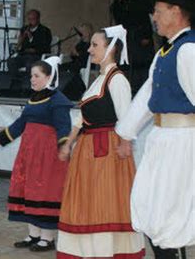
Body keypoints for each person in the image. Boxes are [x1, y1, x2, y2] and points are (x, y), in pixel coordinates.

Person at [116, 0, 195, 259]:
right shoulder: (165, 53)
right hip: (161, 139)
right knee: (146, 203)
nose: (154, 17)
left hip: (182, 142)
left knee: (170, 214)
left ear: (176, 12)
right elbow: (148, 95)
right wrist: (127, 132)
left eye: (159, 11)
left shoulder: (188, 50)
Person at [56, 25, 145, 258]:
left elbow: (126, 119)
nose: (89, 50)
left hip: (107, 152)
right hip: (89, 151)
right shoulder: (98, 80)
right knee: (88, 203)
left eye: (95, 45)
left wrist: (125, 146)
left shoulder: (117, 80)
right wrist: (69, 143)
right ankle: (89, 252)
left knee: (104, 204)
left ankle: (106, 252)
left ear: (111, 48)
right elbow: (80, 118)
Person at [0, 56, 72, 251]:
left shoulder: (58, 101)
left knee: (46, 192)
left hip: (49, 155)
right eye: (31, 76)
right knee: (30, 191)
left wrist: (64, 146)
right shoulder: (33, 98)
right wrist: (0, 138)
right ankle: (33, 235)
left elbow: (64, 127)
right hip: (30, 152)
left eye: (36, 76)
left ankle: (48, 238)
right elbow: (21, 124)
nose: (32, 80)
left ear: (49, 77)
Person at [111, 0, 154, 96]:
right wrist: (119, 0)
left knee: (141, 69)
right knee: (128, 67)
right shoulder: (124, 0)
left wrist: (146, 35)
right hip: (128, 38)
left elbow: (148, 18)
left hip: (141, 37)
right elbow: (119, 17)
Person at [7, 9, 52, 82]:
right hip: (24, 55)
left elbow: (44, 46)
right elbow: (21, 46)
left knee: (29, 64)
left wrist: (31, 38)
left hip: (36, 55)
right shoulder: (24, 29)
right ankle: (17, 81)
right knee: (11, 61)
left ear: (38, 19)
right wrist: (20, 43)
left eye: (33, 19)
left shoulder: (44, 31)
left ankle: (28, 83)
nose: (30, 21)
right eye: (29, 19)